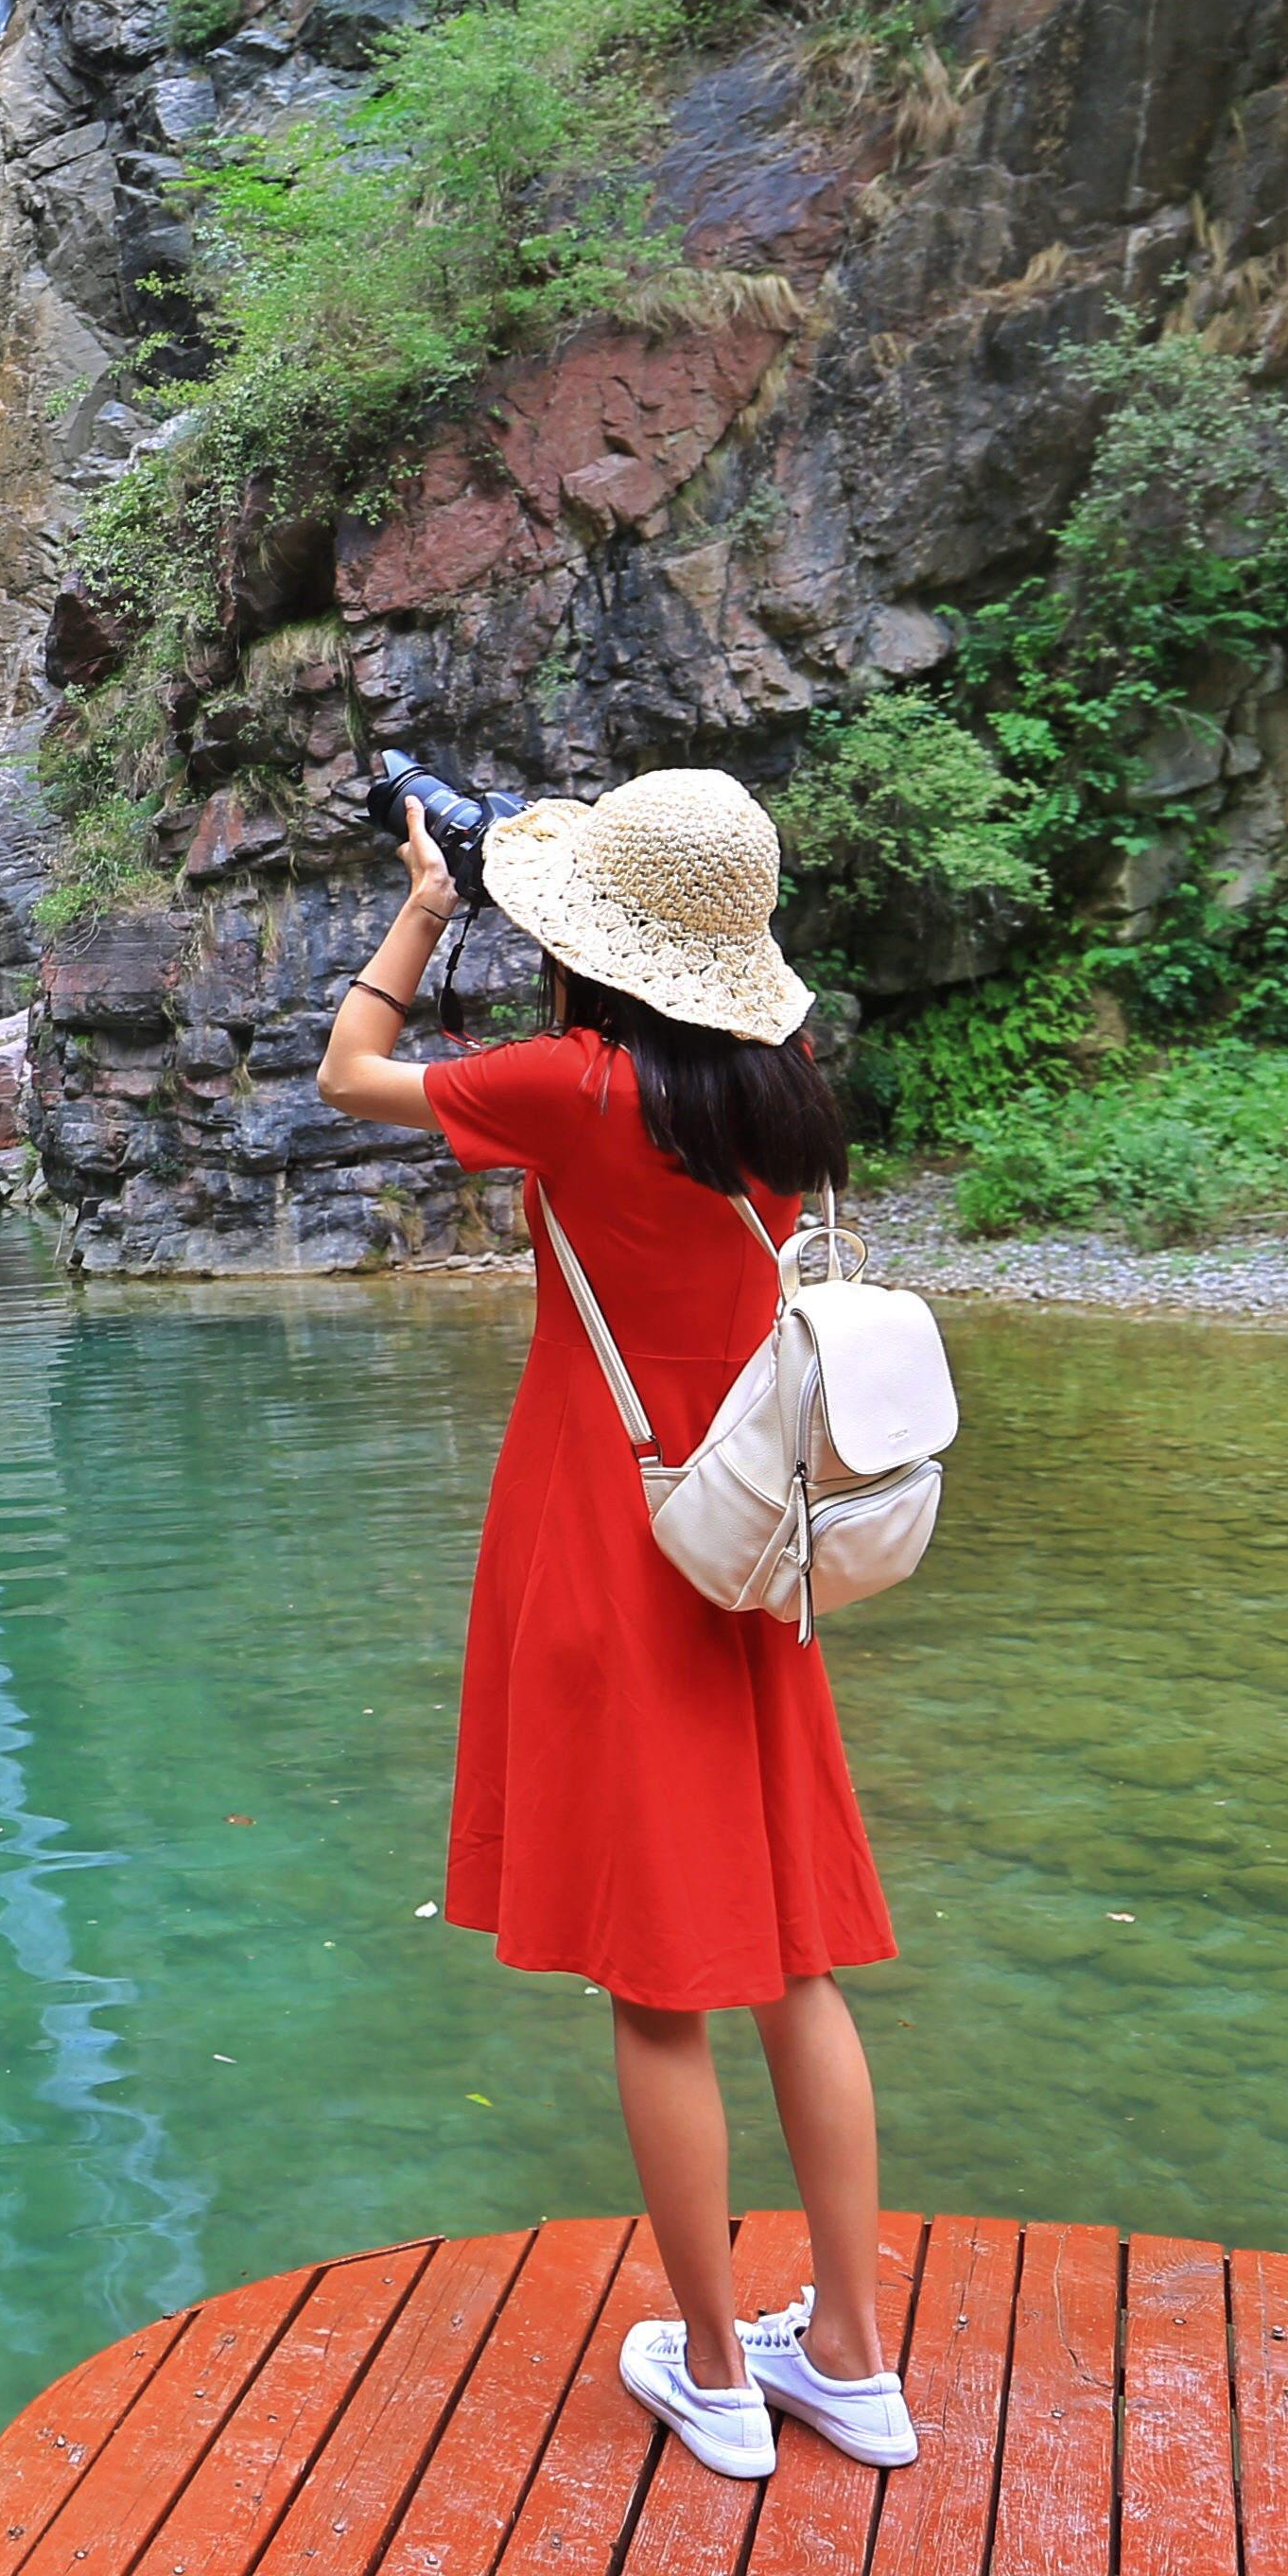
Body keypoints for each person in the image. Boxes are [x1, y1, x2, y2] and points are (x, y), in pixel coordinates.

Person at [310, 765, 915, 2485]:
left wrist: (428, 903)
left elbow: (351, 1072)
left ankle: (715, 2372)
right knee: (792, 1960)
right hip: (754, 1547)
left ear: (599, 945)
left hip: (609, 1535)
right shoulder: (781, 1088)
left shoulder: (570, 1089)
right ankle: (853, 2358)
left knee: (658, 1984)